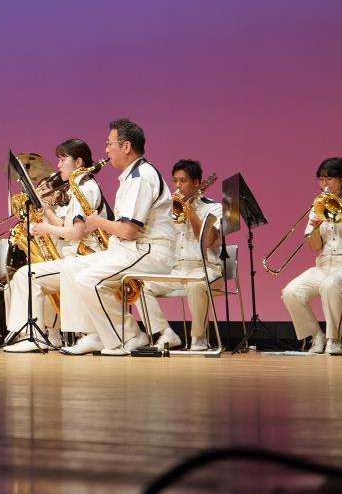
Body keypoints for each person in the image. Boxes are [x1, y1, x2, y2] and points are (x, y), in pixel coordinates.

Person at [60, 119, 175, 356]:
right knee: (69, 268)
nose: (105, 150)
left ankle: (129, 334)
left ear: (126, 147)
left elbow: (129, 230)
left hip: (148, 251)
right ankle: (93, 334)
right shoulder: (131, 176)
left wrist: (97, 222)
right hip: (130, 249)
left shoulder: (141, 177)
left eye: (109, 143)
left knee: (87, 279)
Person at [3, 140, 105, 352]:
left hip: (86, 258)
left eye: (62, 159)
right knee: (29, 276)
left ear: (78, 162)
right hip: (78, 256)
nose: (57, 165)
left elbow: (76, 233)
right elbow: (65, 225)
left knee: (25, 275)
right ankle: (39, 334)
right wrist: (47, 211)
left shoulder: (84, 189)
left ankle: (34, 336)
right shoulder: (82, 186)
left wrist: (45, 229)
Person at [279, 157, 342, 355]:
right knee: (291, 292)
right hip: (325, 265)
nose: (324, 184)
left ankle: (334, 340)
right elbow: (314, 246)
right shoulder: (318, 206)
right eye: (321, 180)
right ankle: (317, 336)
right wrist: (312, 227)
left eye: (329, 179)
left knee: (331, 284)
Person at [133, 160, 224, 351]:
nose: (177, 186)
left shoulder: (213, 208)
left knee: (196, 284)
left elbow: (207, 242)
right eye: (175, 181)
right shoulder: (170, 209)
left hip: (205, 269)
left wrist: (190, 213)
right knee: (139, 286)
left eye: (183, 181)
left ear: (197, 183)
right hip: (175, 270)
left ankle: (199, 338)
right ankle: (165, 333)